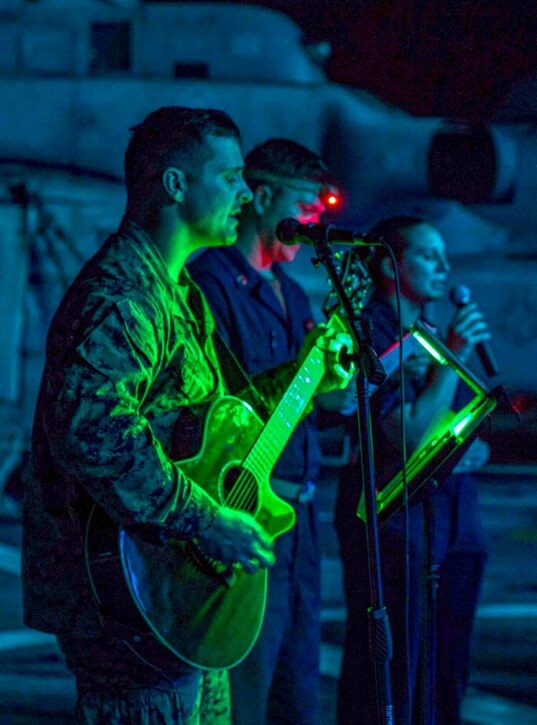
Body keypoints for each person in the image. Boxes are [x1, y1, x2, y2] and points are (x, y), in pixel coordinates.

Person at [21, 107, 351, 723]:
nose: (247, 192)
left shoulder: (181, 294)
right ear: (175, 185)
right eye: (230, 178)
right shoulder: (121, 296)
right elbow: (94, 432)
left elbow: (217, 425)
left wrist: (304, 380)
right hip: (132, 603)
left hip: (182, 600)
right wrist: (206, 521)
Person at [187, 138, 343, 724]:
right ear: (263, 195)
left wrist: (338, 387)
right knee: (248, 682)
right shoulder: (212, 283)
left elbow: (313, 403)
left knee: (298, 683)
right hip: (244, 505)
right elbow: (223, 409)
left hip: (298, 512)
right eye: (306, 203)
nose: (314, 220)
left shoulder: (296, 291)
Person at [334, 215, 490, 725]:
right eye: (427, 254)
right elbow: (407, 436)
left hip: (452, 514)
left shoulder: (425, 332)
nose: (444, 267)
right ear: (387, 263)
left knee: (444, 664)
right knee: (396, 661)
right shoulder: (377, 332)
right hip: (400, 516)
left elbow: (453, 426)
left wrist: (471, 447)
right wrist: (454, 357)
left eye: (444, 255)